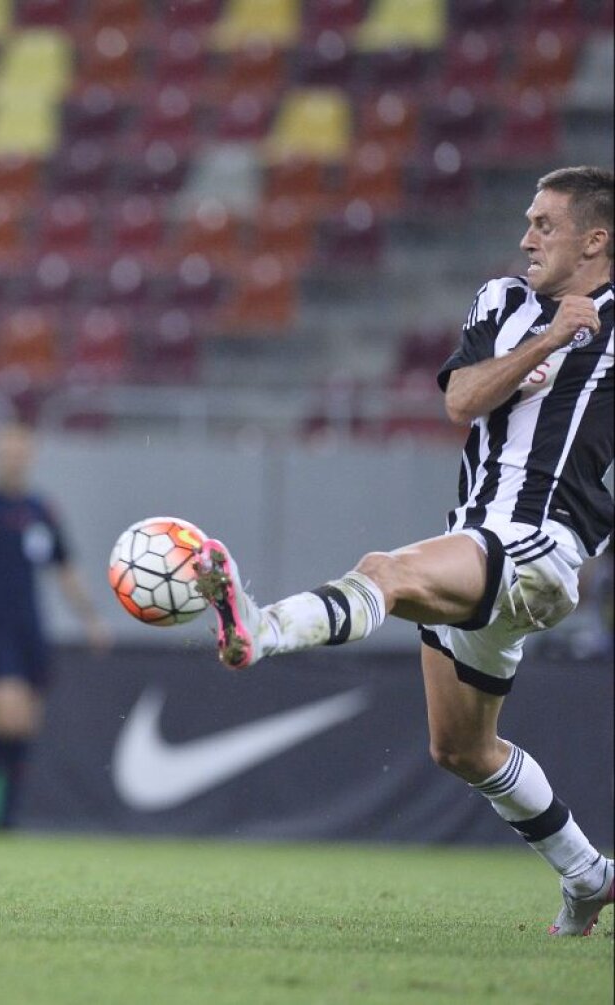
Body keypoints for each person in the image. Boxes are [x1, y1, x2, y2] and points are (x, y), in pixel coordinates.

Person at [194, 166, 613, 937]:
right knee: (461, 747)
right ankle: (589, 875)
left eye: (545, 225)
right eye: (526, 220)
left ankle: (261, 630)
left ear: (596, 239)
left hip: (543, 547)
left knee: (386, 570)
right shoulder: (503, 301)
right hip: (476, 540)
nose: (526, 237)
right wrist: (554, 338)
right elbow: (461, 398)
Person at [0, 422, 110, 828]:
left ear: (30, 455)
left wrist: (90, 618)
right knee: (7, 715)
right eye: (7, 450)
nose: (13, 457)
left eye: (20, 450)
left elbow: (65, 568)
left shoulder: (41, 510)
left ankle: (5, 815)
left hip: (31, 624)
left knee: (26, 724)